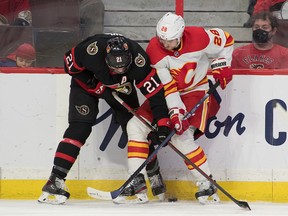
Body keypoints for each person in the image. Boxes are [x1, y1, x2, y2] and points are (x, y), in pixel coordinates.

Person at [37, 33, 170, 204]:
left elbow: (156, 95)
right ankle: (55, 180)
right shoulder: (91, 50)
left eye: (124, 67)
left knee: (135, 128)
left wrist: (163, 123)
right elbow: (69, 66)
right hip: (87, 84)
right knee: (79, 129)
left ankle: (152, 175)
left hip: (123, 87)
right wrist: (95, 85)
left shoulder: (139, 60)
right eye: (115, 67)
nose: (119, 70)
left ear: (130, 58)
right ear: (106, 58)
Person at [118, 12, 234, 204]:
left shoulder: (199, 37)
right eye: (161, 39)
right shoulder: (154, 49)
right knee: (135, 126)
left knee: (182, 136)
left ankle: (206, 184)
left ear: (180, 35)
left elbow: (227, 40)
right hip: (167, 94)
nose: (164, 44)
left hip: (195, 91)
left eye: (169, 41)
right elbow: (168, 86)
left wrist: (222, 65)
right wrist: (175, 113)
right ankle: (136, 181)